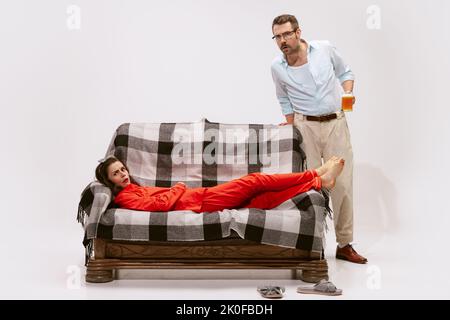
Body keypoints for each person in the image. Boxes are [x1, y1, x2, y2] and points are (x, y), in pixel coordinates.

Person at [270, 14, 367, 264]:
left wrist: (349, 93)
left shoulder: (324, 49)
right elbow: (283, 98)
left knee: (342, 184)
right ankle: (314, 246)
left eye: (286, 34)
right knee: (313, 186)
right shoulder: (277, 67)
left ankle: (344, 245)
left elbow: (345, 72)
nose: (283, 40)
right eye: (278, 36)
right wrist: (291, 127)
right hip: (305, 127)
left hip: (335, 122)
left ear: (298, 32)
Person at [94, 156, 344, 214]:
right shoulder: (124, 198)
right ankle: (313, 173)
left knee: (262, 200)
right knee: (255, 180)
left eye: (123, 169)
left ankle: (319, 181)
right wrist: (178, 187)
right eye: (116, 174)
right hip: (202, 201)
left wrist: (178, 190)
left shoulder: (131, 188)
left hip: (201, 197)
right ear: (109, 181)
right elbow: (160, 205)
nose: (123, 174)